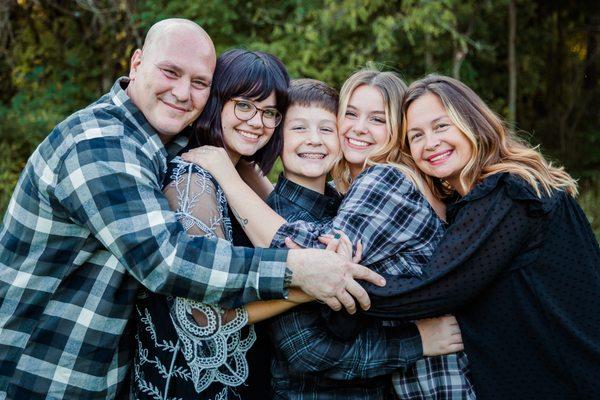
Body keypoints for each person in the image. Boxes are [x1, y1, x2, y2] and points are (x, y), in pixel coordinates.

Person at [0, 19, 383, 399]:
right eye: (170, 72)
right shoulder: (100, 144)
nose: (183, 92)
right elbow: (166, 260)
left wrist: (244, 171)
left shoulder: (167, 146)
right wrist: (299, 273)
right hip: (41, 371)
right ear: (136, 64)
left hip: (103, 371)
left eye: (199, 82)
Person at [182, 69, 473, 399]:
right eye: (350, 114)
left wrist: (236, 178)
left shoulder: (376, 186)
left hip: (433, 383)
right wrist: (417, 341)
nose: (315, 139)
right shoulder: (315, 203)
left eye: (377, 119)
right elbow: (308, 350)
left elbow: (319, 257)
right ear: (278, 137)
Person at [356, 74, 599, 399]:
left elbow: (435, 290)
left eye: (441, 126)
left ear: (472, 122)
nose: (430, 143)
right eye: (416, 135)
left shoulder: (509, 193)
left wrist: (332, 286)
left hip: (567, 382)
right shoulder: (475, 201)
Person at [133, 48, 306, 400]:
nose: (257, 122)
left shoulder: (237, 171)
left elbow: (287, 236)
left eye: (270, 112)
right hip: (188, 386)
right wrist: (308, 289)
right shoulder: (192, 178)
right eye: (244, 105)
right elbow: (206, 317)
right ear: (217, 102)